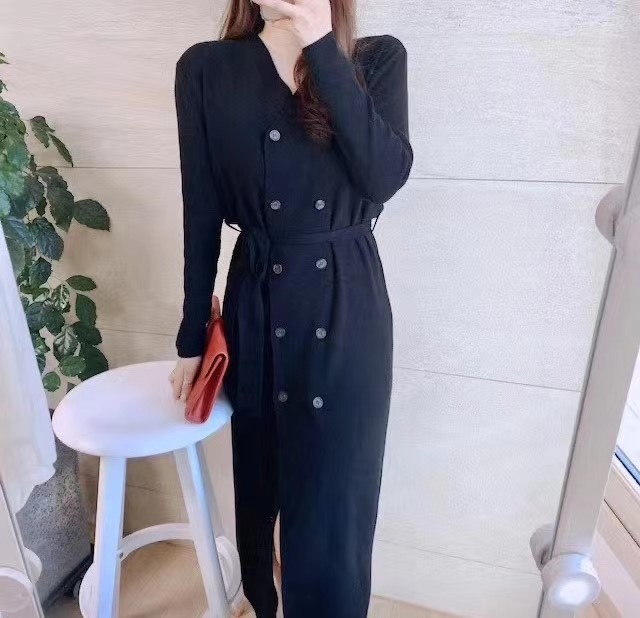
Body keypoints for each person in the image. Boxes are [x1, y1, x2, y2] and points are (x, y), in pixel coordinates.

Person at [169, 0, 413, 615]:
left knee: (336, 505)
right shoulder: (205, 69)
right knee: (263, 489)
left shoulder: (376, 59)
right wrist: (192, 338)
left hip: (347, 307)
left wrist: (319, 43)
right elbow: (201, 212)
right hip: (258, 301)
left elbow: (384, 177)